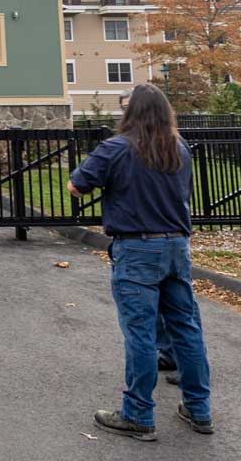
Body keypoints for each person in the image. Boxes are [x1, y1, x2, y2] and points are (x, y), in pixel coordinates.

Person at [69, 83, 212, 441]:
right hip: (176, 246)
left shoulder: (116, 149)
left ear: (131, 114)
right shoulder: (179, 149)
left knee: (141, 333)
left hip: (136, 249)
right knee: (186, 328)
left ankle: (137, 414)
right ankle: (199, 409)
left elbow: (76, 186)